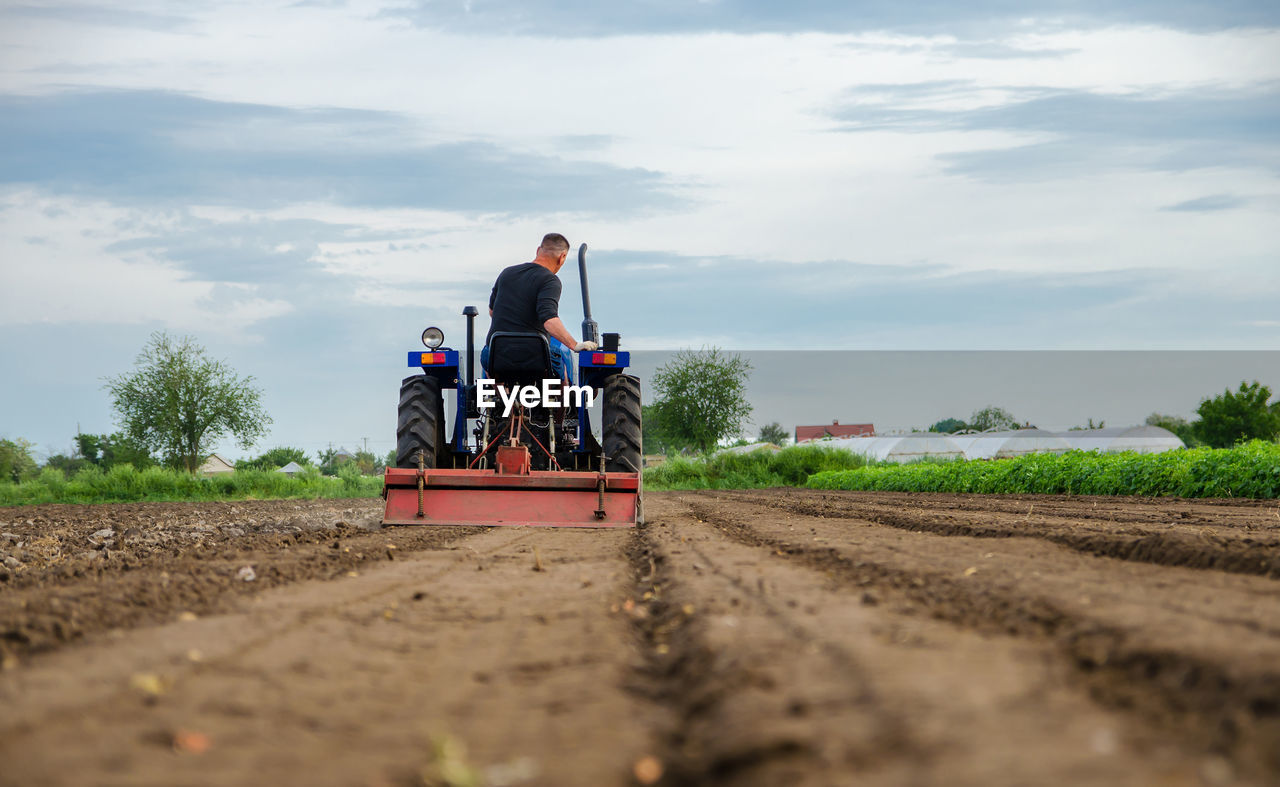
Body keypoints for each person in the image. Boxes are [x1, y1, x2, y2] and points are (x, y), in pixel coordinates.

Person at [481, 233, 597, 384]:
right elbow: (549, 320)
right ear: (562, 257)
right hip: (535, 356)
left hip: (497, 353)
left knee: (490, 364)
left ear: (538, 250)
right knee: (563, 374)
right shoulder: (550, 280)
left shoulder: (507, 273)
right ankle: (560, 405)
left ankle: (504, 400)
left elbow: (492, 311)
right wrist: (575, 344)